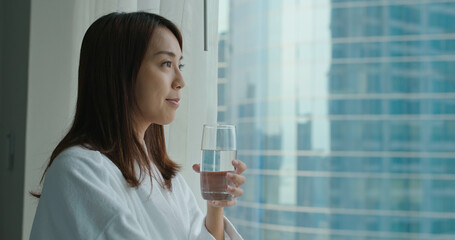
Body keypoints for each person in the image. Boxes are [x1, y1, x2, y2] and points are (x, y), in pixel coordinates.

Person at [30, 12, 246, 240]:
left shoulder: (165, 178)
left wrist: (215, 205)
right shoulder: (77, 170)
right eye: (166, 63)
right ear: (121, 72)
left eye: (179, 64)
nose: (181, 81)